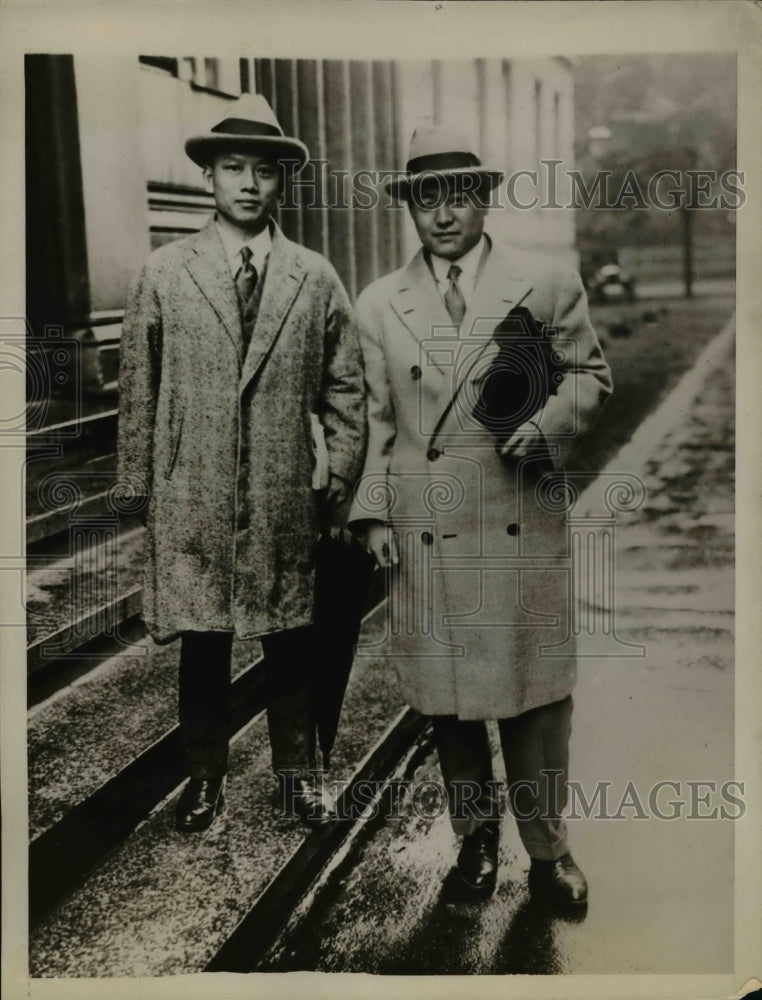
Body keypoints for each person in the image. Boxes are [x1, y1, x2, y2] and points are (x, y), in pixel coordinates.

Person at [348, 123, 612, 905]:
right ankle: (473, 844)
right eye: (426, 197)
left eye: (458, 194)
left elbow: (591, 376)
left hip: (517, 515)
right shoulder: (379, 303)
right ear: (409, 206)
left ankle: (548, 851)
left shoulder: (547, 281)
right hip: (425, 524)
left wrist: (544, 427)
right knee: (450, 701)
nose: (443, 213)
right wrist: (369, 513)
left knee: (533, 699)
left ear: (485, 199)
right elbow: (375, 420)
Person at [118, 94, 366, 833]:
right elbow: (139, 386)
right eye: (234, 169)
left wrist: (339, 475)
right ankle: (205, 781)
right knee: (204, 644)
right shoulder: (165, 272)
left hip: (282, 489)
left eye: (263, 171)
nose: (249, 184)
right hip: (191, 488)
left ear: (281, 181)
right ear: (209, 178)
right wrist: (140, 486)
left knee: (291, 639)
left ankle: (298, 782)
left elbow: (346, 386)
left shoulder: (312, 276)